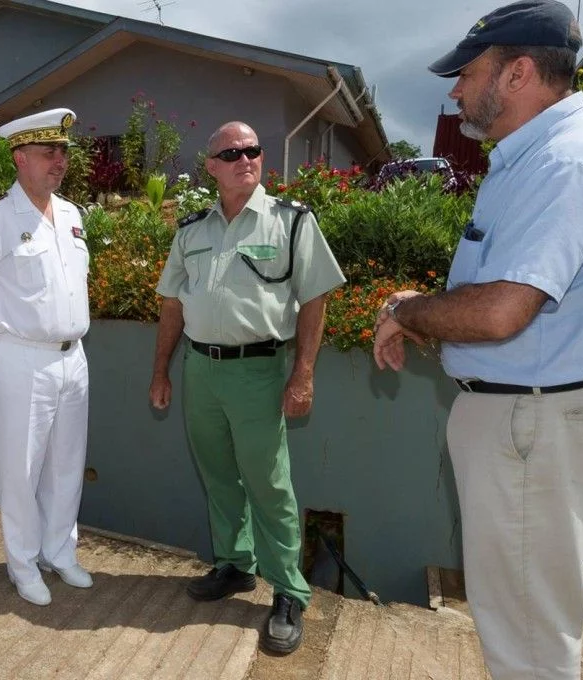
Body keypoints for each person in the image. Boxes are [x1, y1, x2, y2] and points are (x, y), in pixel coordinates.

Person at [373, 1, 583, 677]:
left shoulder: (567, 163)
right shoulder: (552, 155)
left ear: (519, 73)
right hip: (534, 419)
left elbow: (503, 310)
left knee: (527, 639)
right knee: (525, 621)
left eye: (468, 72)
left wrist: (410, 311)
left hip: (530, 424)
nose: (455, 89)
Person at [149, 121, 345, 654]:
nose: (245, 159)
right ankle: (235, 565)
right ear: (211, 166)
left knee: (269, 483)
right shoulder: (192, 230)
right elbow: (172, 303)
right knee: (217, 475)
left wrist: (302, 374)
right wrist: (161, 369)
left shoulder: (291, 222)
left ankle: (288, 592)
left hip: (258, 371)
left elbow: (315, 299)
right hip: (199, 370)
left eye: (253, 150)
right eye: (231, 152)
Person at [0, 108, 92, 607]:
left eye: (62, 152)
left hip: (73, 356)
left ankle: (60, 551)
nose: (59, 161)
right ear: (20, 157)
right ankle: (22, 562)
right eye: (47, 152)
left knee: (66, 462)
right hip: (20, 356)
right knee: (20, 466)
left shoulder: (73, 214)